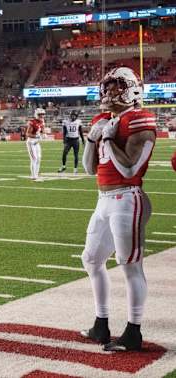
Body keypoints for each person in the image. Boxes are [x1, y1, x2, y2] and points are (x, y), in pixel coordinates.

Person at [80, 67, 157, 352]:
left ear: (132, 90)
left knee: (130, 266)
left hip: (128, 198)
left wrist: (110, 138)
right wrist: (92, 138)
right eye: (107, 86)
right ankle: (101, 324)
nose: (108, 92)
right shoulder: (103, 120)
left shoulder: (140, 120)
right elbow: (89, 169)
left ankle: (133, 331)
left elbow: (129, 169)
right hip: (103, 200)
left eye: (116, 87)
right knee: (91, 259)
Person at [59, 110, 85, 174]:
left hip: (76, 140)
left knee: (76, 155)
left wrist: (83, 140)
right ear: (70, 116)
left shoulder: (79, 121)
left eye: (74, 116)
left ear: (76, 116)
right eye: (72, 115)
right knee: (64, 153)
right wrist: (64, 140)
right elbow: (64, 131)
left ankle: (75, 169)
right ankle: (63, 166)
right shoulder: (66, 122)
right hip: (68, 140)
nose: (73, 117)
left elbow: (80, 131)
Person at [26, 108, 45, 181]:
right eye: (40, 114)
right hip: (31, 142)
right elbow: (27, 134)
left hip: (37, 142)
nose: (42, 116)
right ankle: (33, 175)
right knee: (34, 159)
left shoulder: (42, 121)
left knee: (39, 158)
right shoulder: (32, 122)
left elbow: (43, 130)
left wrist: (43, 134)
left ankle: (36, 174)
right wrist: (37, 136)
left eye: (43, 114)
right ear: (36, 115)